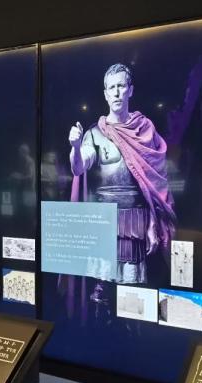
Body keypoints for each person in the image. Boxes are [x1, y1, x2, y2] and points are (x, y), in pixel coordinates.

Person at [68, 63, 176, 285]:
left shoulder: (145, 130)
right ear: (105, 94)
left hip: (136, 220)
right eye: (111, 88)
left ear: (131, 90)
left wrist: (153, 223)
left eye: (121, 86)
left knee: (132, 290)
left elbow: (158, 184)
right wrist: (76, 147)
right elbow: (78, 167)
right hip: (103, 220)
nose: (116, 93)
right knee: (101, 289)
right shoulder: (95, 133)